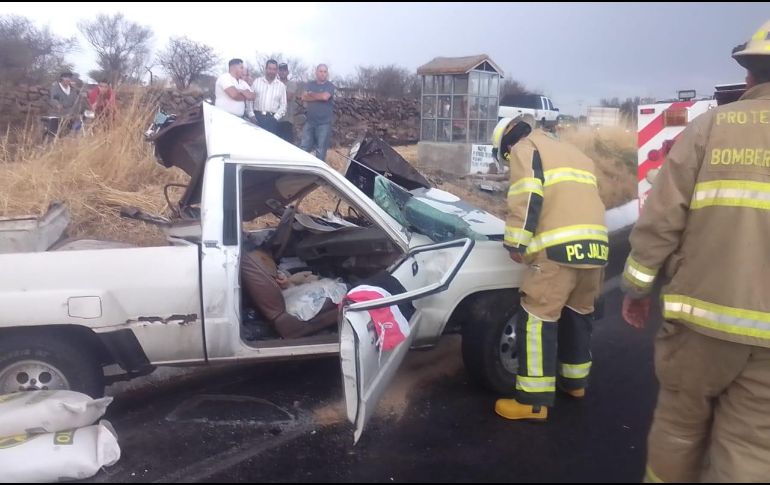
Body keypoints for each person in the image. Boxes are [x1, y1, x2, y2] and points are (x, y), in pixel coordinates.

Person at [621, 19, 770, 482]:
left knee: (679, 430)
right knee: (751, 449)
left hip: (699, 323)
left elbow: (662, 219)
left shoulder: (710, 129)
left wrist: (637, 287)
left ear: (750, 75)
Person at [492, 114, 608, 422]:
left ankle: (532, 401)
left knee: (537, 318)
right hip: (595, 247)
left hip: (558, 251)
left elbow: (526, 197)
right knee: (579, 313)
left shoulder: (525, 147)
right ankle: (575, 383)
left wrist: (516, 243)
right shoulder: (575, 154)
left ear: (508, 142)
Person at [300, 64, 335, 162]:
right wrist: (318, 97)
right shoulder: (310, 84)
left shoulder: (330, 86)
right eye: (321, 71)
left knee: (320, 151)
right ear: (316, 72)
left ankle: (318, 175)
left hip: (324, 123)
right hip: (310, 122)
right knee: (304, 147)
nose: (323, 74)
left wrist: (311, 94)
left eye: (325, 72)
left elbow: (325, 97)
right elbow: (303, 97)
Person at [250, 59, 287, 135]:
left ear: (277, 71)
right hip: (256, 117)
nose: (271, 71)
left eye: (274, 69)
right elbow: (250, 99)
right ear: (266, 69)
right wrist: (251, 115)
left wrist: (275, 118)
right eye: (270, 68)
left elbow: (283, 105)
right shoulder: (257, 82)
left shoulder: (281, 86)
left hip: (272, 120)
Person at [48, 71, 82, 136]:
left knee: (77, 125)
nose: (67, 79)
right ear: (61, 78)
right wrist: (58, 105)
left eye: (69, 78)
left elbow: (76, 102)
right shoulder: (56, 88)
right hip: (57, 113)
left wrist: (77, 111)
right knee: (55, 132)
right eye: (65, 77)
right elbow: (54, 99)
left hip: (70, 114)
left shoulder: (72, 89)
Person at [278, 62, 300, 143]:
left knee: (287, 144)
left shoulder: (291, 84)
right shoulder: (274, 83)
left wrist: (274, 97)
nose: (282, 72)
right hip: (274, 119)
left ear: (287, 72)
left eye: (284, 70)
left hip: (287, 120)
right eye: (280, 70)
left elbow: (288, 97)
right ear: (278, 72)